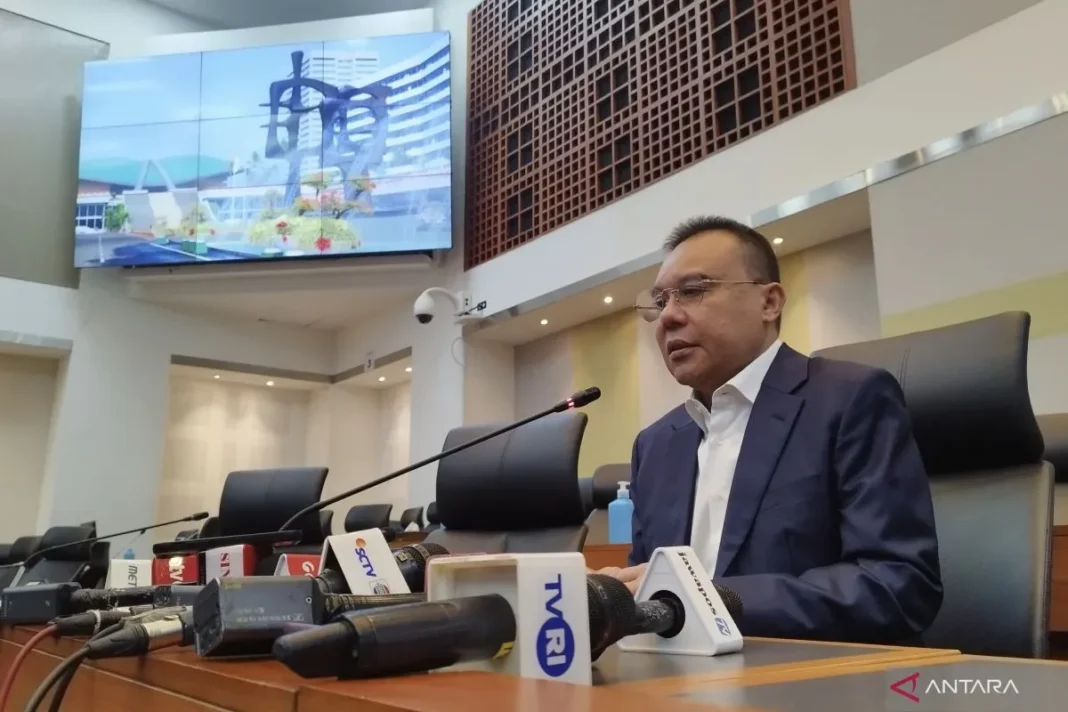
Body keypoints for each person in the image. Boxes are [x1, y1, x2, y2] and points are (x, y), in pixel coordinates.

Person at [600, 215, 942, 644]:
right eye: (659, 301)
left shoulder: (850, 400)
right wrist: (608, 596)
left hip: (814, 671)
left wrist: (713, 598)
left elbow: (897, 584)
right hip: (676, 671)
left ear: (769, 302)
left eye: (693, 291)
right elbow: (648, 586)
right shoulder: (654, 445)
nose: (667, 316)